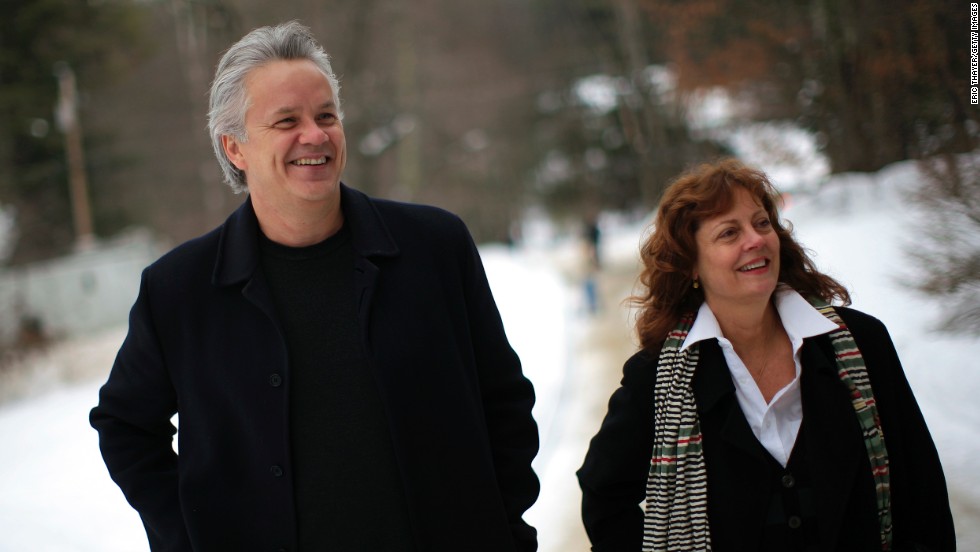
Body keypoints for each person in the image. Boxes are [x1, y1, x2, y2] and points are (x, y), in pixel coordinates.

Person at [90, 21, 539, 551]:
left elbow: (504, 401)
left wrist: (503, 527)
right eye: (287, 121)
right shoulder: (179, 292)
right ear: (235, 148)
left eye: (326, 115)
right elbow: (124, 424)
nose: (316, 134)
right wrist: (190, 534)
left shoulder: (434, 247)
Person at [577, 158, 954, 551]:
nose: (755, 239)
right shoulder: (658, 378)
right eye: (729, 232)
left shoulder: (861, 343)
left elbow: (921, 491)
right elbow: (605, 496)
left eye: (761, 223)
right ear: (691, 265)